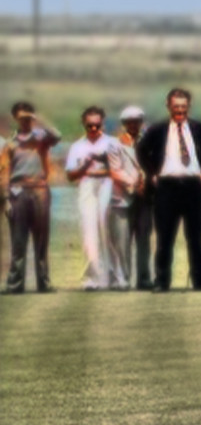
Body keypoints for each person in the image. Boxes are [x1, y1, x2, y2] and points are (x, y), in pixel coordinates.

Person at [136, 87, 201, 291]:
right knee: (165, 238)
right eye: (176, 107)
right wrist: (151, 173)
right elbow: (141, 150)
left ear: (188, 106)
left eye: (183, 106)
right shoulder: (158, 129)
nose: (180, 110)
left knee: (196, 238)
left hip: (193, 187)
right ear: (168, 106)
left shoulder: (199, 128)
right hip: (166, 188)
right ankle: (162, 282)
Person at [3, 102, 62, 293]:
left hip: (40, 189)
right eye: (22, 118)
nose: (26, 121)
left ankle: (43, 283)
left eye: (29, 117)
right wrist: (5, 199)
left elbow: (57, 135)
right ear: (16, 119)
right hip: (18, 191)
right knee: (18, 241)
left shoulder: (41, 139)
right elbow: (4, 173)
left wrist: (39, 119)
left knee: (41, 239)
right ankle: (15, 284)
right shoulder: (10, 144)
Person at [64, 106, 124, 290]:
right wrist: (86, 166)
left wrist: (103, 165)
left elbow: (120, 169)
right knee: (89, 233)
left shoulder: (112, 143)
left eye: (97, 126)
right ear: (84, 124)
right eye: (89, 126)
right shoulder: (77, 147)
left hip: (107, 184)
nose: (93, 130)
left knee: (108, 231)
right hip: (87, 185)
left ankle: (115, 277)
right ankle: (91, 278)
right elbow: (70, 175)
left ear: (102, 124)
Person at [108, 105, 152, 290]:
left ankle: (143, 279)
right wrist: (135, 184)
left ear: (141, 123)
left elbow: (154, 165)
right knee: (123, 240)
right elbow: (115, 171)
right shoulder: (115, 145)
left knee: (144, 240)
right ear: (125, 124)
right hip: (123, 198)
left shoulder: (149, 143)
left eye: (137, 121)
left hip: (145, 199)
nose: (134, 125)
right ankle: (123, 279)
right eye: (130, 122)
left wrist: (147, 183)